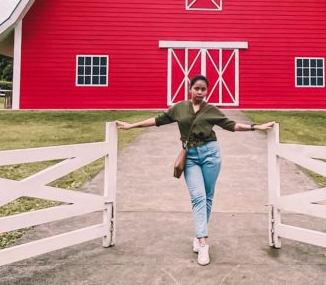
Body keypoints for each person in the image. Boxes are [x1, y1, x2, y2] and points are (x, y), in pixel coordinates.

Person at [115, 75, 274, 266]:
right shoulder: (180, 108)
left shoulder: (211, 110)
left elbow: (232, 125)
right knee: (198, 197)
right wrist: (132, 125)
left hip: (211, 155)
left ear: (206, 91)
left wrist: (256, 127)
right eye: (196, 88)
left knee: (207, 197)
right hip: (190, 156)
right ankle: (203, 242)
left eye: (203, 89)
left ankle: (198, 235)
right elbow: (158, 120)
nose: (199, 92)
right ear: (190, 89)